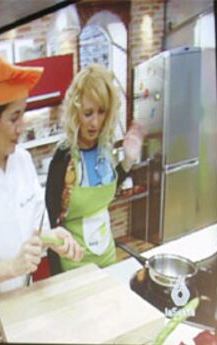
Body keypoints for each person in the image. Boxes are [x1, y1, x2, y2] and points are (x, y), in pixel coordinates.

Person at [0, 50, 83, 312]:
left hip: (25, 297)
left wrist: (54, 238)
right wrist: (13, 266)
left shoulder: (23, 161)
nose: (22, 126)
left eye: (23, 115)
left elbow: (34, 230)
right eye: (14, 118)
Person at [45, 63, 144, 274]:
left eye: (101, 112)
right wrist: (56, 276)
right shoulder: (64, 157)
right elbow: (50, 221)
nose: (95, 123)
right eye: (88, 113)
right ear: (76, 111)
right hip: (74, 262)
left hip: (107, 255)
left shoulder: (104, 148)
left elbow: (108, 190)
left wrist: (128, 161)